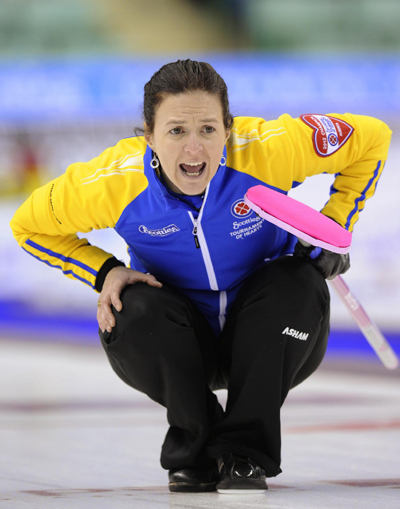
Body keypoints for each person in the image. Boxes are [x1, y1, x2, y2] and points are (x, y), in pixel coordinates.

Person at [10, 59, 392, 494]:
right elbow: (28, 225)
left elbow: (372, 139)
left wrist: (335, 226)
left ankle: (246, 455)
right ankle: (196, 447)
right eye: (176, 131)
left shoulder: (270, 148)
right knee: (130, 305)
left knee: (300, 280)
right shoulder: (112, 183)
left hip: (269, 333)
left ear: (228, 129)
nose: (194, 149)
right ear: (148, 136)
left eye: (208, 130)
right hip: (178, 338)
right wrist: (106, 270)